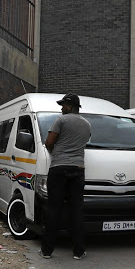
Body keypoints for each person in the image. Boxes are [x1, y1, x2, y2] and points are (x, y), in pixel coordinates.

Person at [39, 93, 91, 260]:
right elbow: (84, 142)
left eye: (63, 105)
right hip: (78, 168)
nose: (61, 108)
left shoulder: (60, 120)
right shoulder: (87, 124)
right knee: (76, 210)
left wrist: (56, 150)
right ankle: (79, 251)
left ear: (70, 106)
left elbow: (49, 142)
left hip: (59, 167)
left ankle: (47, 251)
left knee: (54, 209)